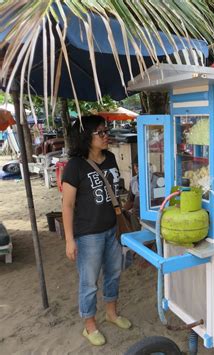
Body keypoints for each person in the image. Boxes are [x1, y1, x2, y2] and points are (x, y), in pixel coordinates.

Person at [62, 115, 131, 347]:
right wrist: (69, 239)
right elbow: (67, 205)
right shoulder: (75, 166)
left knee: (114, 273)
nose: (106, 135)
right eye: (100, 132)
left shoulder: (110, 158)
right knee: (89, 282)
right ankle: (89, 325)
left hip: (112, 228)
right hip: (88, 234)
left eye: (106, 130)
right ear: (85, 137)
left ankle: (111, 313)